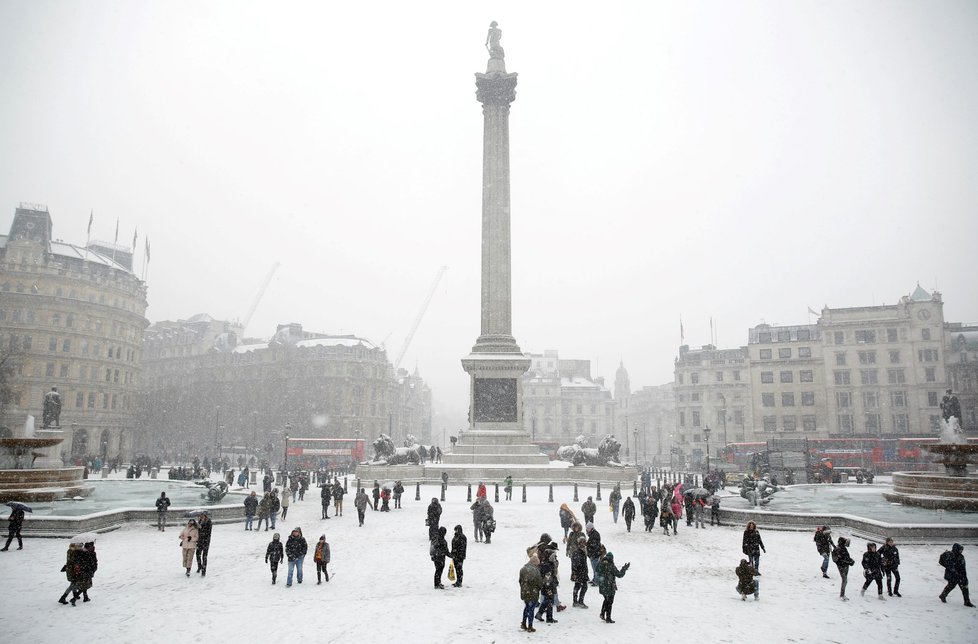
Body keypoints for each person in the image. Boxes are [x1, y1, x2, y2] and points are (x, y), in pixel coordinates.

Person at [596, 551, 629, 623]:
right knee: (610, 602)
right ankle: (608, 618)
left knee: (606, 600)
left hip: (602, 586)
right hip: (610, 587)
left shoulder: (601, 564)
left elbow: (597, 570)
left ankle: (602, 613)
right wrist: (624, 569)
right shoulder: (611, 566)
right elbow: (619, 575)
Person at [519, 554, 543, 632]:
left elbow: (520, 581)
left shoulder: (523, 569)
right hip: (533, 592)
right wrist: (538, 588)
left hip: (524, 592)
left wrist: (524, 588)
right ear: (535, 563)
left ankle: (523, 623)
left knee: (526, 607)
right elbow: (539, 583)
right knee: (531, 609)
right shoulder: (535, 571)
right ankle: (530, 626)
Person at [832, 536, 856, 600]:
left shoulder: (843, 549)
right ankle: (842, 595)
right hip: (842, 566)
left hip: (845, 566)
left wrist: (851, 561)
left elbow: (846, 557)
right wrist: (848, 562)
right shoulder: (838, 549)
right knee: (844, 580)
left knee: (845, 580)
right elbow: (838, 560)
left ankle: (842, 594)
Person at [571, 535, 590, 608]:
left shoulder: (583, 551)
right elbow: (575, 563)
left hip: (583, 571)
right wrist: (575, 572)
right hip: (580, 572)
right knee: (583, 586)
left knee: (578, 586)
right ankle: (579, 601)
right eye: (581, 542)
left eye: (584, 542)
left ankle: (576, 601)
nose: (583, 544)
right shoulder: (577, 552)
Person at [585, 522, 602, 586]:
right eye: (587, 528)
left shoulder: (595, 534)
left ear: (591, 528)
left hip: (595, 555)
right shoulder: (592, 534)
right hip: (593, 554)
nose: (587, 530)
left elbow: (595, 545)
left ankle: (597, 581)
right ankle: (595, 579)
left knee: (596, 569)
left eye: (588, 528)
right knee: (594, 568)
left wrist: (588, 546)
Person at [196, 512, 212, 576]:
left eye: (201, 516)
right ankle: (199, 566)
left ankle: (203, 570)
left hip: (206, 541)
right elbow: (198, 531)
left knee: (204, 556)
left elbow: (208, 532)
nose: (200, 517)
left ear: (205, 516)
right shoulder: (199, 521)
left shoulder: (208, 522)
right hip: (199, 541)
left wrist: (201, 528)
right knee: (197, 554)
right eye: (200, 516)